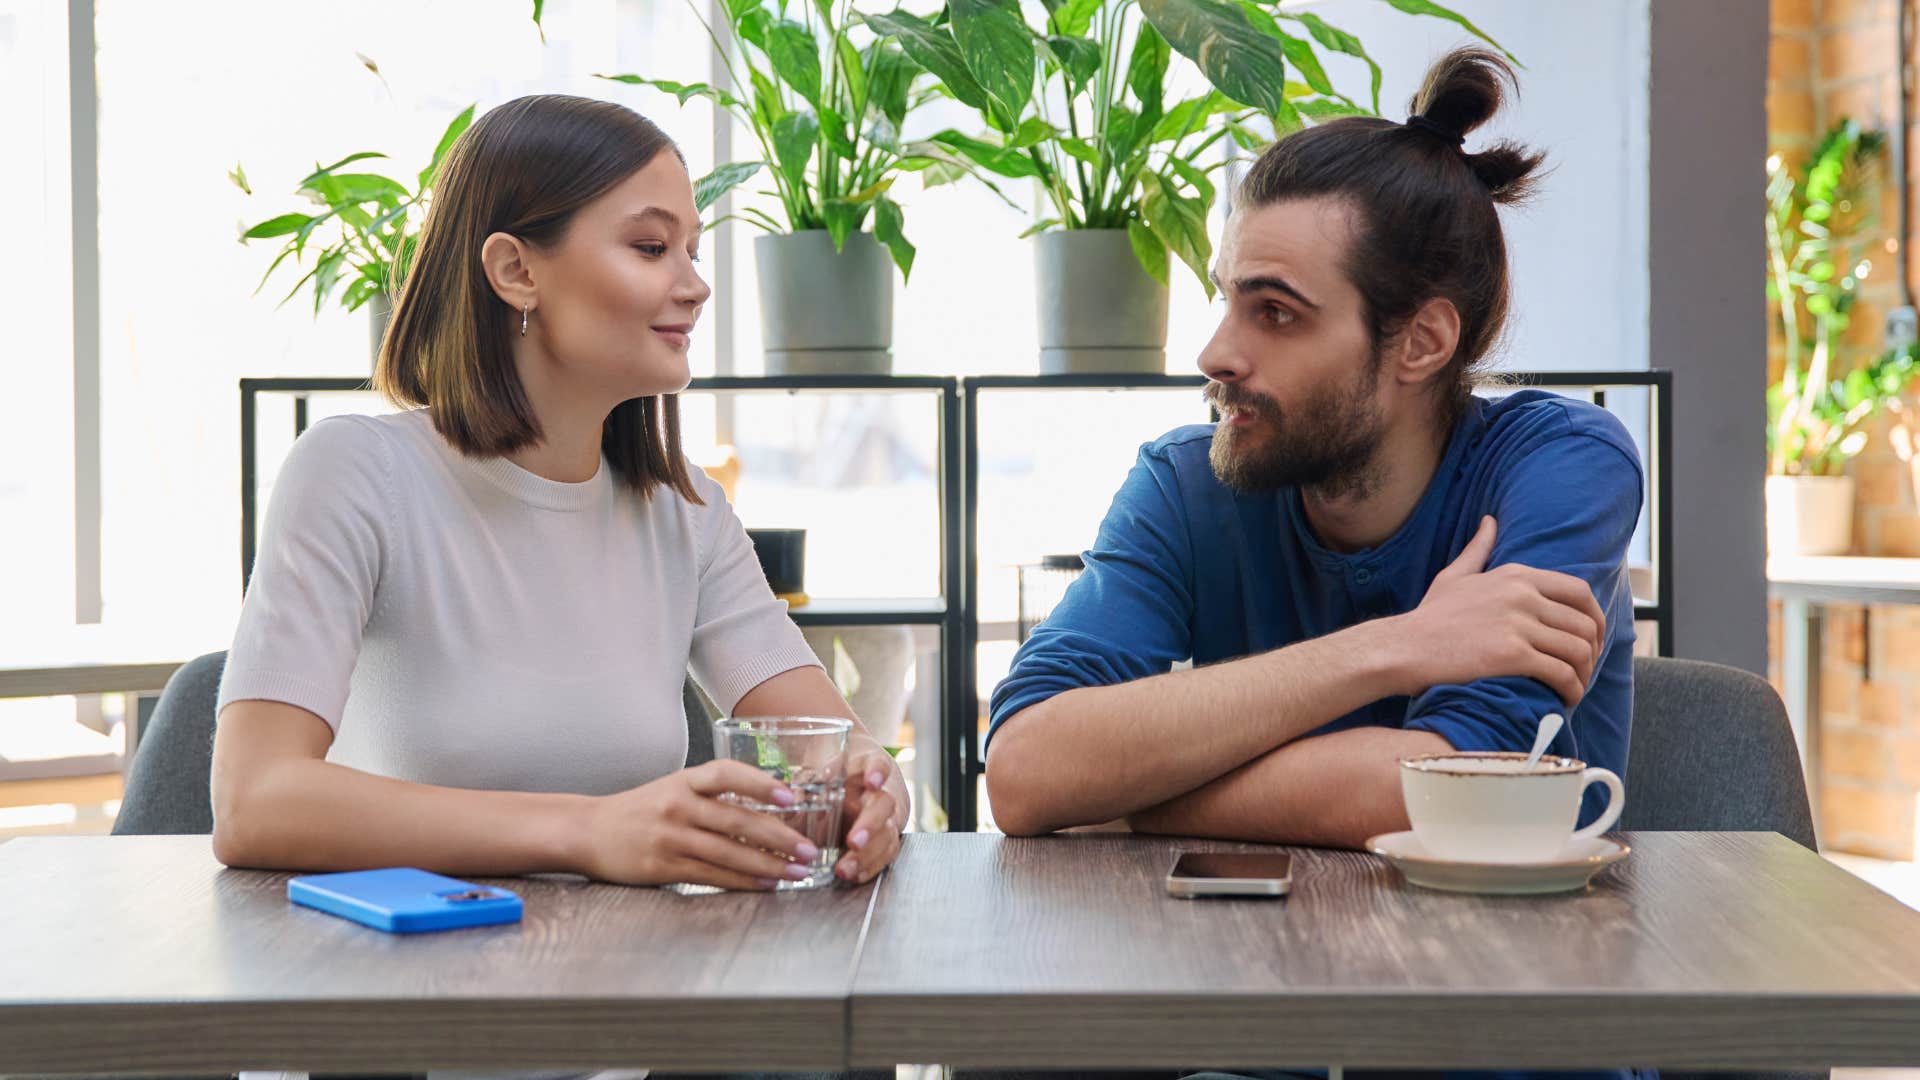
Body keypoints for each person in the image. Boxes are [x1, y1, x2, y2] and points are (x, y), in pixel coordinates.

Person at [211, 94, 907, 896]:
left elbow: (833, 744)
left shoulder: (687, 515)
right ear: (516, 271)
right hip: (399, 985)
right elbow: (254, 801)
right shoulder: (356, 473)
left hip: (626, 976)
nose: (695, 286)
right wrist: (591, 831)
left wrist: (868, 788)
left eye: (693, 250)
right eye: (651, 247)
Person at [987, 47, 1642, 859]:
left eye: (1277, 313)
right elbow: (1024, 770)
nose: (1215, 354)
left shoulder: (1560, 466)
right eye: (1228, 299)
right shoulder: (1186, 484)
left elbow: (1466, 795)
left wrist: (1131, 795)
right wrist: (1398, 646)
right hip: (1244, 960)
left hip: (1520, 962)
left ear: (1421, 342)